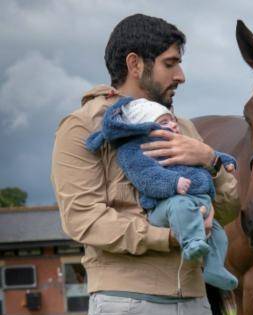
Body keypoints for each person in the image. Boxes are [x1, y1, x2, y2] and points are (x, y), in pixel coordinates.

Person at [51, 13, 239, 315]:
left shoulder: (185, 128)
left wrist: (211, 160)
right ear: (135, 64)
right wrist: (169, 238)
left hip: (194, 310)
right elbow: (85, 222)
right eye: (172, 63)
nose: (181, 76)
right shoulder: (83, 128)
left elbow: (233, 206)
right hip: (125, 310)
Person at [85, 97, 238, 291]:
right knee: (181, 207)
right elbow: (147, 177)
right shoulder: (137, 150)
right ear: (144, 127)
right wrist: (173, 183)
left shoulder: (183, 141)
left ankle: (215, 268)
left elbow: (210, 155)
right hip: (167, 204)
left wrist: (221, 160)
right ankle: (192, 244)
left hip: (198, 202)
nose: (173, 124)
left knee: (219, 234)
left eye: (172, 120)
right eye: (164, 122)